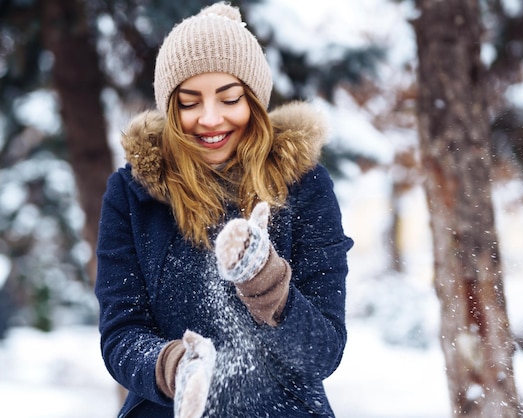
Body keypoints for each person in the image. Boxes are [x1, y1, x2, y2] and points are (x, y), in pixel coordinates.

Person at [94, 2, 353, 418]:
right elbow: (121, 334)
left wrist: (266, 282)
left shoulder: (304, 186)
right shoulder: (132, 194)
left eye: (229, 98)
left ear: (254, 100)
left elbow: (322, 352)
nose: (209, 119)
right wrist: (177, 369)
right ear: (170, 107)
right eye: (189, 102)